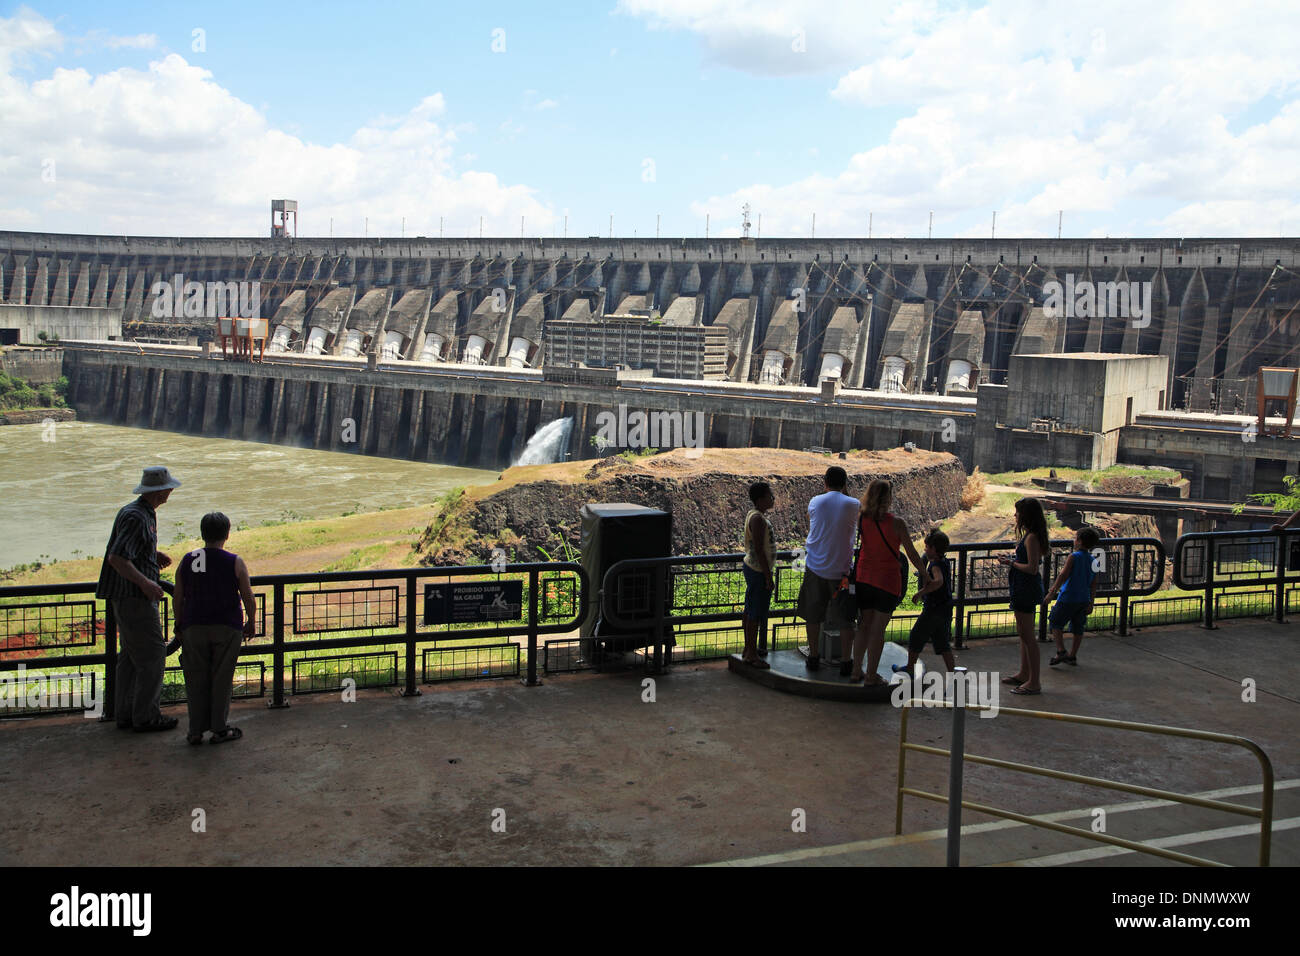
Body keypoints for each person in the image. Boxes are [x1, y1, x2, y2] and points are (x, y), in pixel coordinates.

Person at [96, 465, 181, 732]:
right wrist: (146, 583)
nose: (171, 492)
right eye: (169, 488)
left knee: (131, 658)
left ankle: (125, 713)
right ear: (161, 491)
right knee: (154, 653)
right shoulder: (137, 516)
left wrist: (152, 555)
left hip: (126, 597)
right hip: (134, 598)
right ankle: (146, 717)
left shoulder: (138, 512)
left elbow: (127, 548)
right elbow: (117, 558)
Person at [174, 512, 257, 744]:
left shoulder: (188, 560)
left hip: (193, 626)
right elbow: (248, 597)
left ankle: (195, 731)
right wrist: (252, 621)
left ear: (202, 534)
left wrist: (178, 624)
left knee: (195, 678)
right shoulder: (234, 561)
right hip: (227, 626)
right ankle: (220, 728)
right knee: (221, 678)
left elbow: (178, 596)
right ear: (227, 534)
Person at [851, 479, 925, 685]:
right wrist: (924, 573)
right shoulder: (897, 523)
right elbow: (911, 553)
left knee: (863, 626)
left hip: (864, 578)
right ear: (888, 498)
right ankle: (871, 675)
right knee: (877, 630)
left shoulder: (862, 519)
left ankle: (856, 670)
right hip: (888, 581)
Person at [797, 466, 860, 671]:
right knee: (845, 619)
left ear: (824, 482)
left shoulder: (815, 501)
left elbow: (812, 519)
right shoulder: (854, 504)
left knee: (813, 616)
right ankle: (845, 661)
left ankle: (813, 656)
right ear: (845, 484)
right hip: (842, 572)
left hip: (815, 568)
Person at [998, 497, 1049, 695]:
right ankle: (1024, 673)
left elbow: (1032, 568)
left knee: (1028, 635)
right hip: (1022, 588)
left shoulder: (1031, 538)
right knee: (1023, 634)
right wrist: (1011, 561)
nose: (1015, 515)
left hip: (1026, 589)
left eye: (1017, 512)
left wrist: (1010, 563)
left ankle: (1034, 681)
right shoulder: (1031, 536)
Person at [893, 528, 956, 676]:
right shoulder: (944, 561)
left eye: (927, 547)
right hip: (945, 608)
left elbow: (938, 581)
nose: (925, 549)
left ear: (933, 549)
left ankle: (910, 667)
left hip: (933, 609)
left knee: (916, 636)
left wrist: (921, 593)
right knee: (943, 644)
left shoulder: (935, 565)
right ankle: (953, 674)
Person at [1045, 526, 1101, 666]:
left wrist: (1052, 592)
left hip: (1068, 597)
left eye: (1076, 538)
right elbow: (1094, 583)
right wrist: (1091, 602)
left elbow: (1063, 575)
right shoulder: (1094, 561)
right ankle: (1072, 655)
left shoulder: (1073, 557)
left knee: (1055, 622)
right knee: (1078, 628)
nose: (1074, 540)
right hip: (1083, 599)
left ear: (1080, 541)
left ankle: (1061, 650)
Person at [740, 482, 775, 669]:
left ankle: (748, 650)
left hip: (754, 569)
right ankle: (752, 655)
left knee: (750, 609)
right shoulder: (758, 519)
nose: (773, 499)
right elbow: (760, 550)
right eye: (770, 495)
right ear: (761, 499)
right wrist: (768, 577)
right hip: (758, 571)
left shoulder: (754, 515)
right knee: (755, 613)